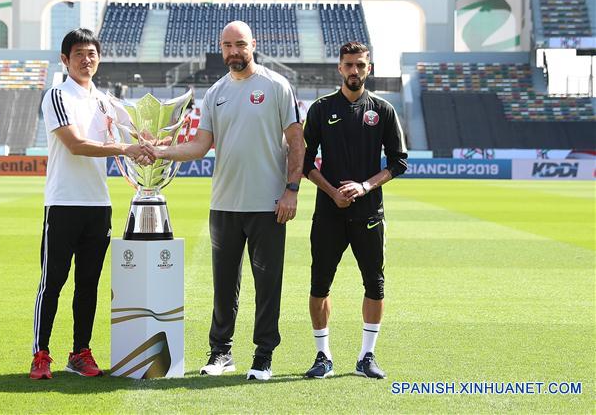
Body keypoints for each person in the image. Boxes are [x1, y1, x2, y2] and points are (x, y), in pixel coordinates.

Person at [148, 21, 304, 381]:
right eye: (227, 45)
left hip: (268, 205)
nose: (233, 52)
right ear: (221, 49)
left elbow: (297, 141)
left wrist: (291, 189)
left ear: (253, 45)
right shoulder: (215, 92)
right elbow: (201, 145)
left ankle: (263, 355)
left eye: (240, 45)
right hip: (224, 204)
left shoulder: (276, 85)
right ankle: (221, 353)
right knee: (223, 286)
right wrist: (160, 151)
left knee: (268, 285)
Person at [29, 28, 154, 380]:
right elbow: (76, 144)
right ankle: (41, 353)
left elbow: (140, 134)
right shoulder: (57, 95)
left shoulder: (106, 101)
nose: (87, 59)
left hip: (98, 206)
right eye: (79, 53)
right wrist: (127, 148)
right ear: (65, 59)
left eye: (92, 54)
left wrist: (155, 142)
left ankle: (80, 351)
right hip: (63, 203)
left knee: (88, 284)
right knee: (52, 282)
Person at [301, 41, 407, 380]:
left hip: (369, 214)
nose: (354, 71)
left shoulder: (383, 110)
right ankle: (323, 357)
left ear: (368, 69)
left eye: (360, 65)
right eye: (349, 65)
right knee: (320, 285)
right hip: (329, 213)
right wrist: (333, 192)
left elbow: (398, 162)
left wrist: (364, 187)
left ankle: (367, 356)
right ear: (339, 68)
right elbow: (304, 163)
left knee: (375, 284)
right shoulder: (320, 109)